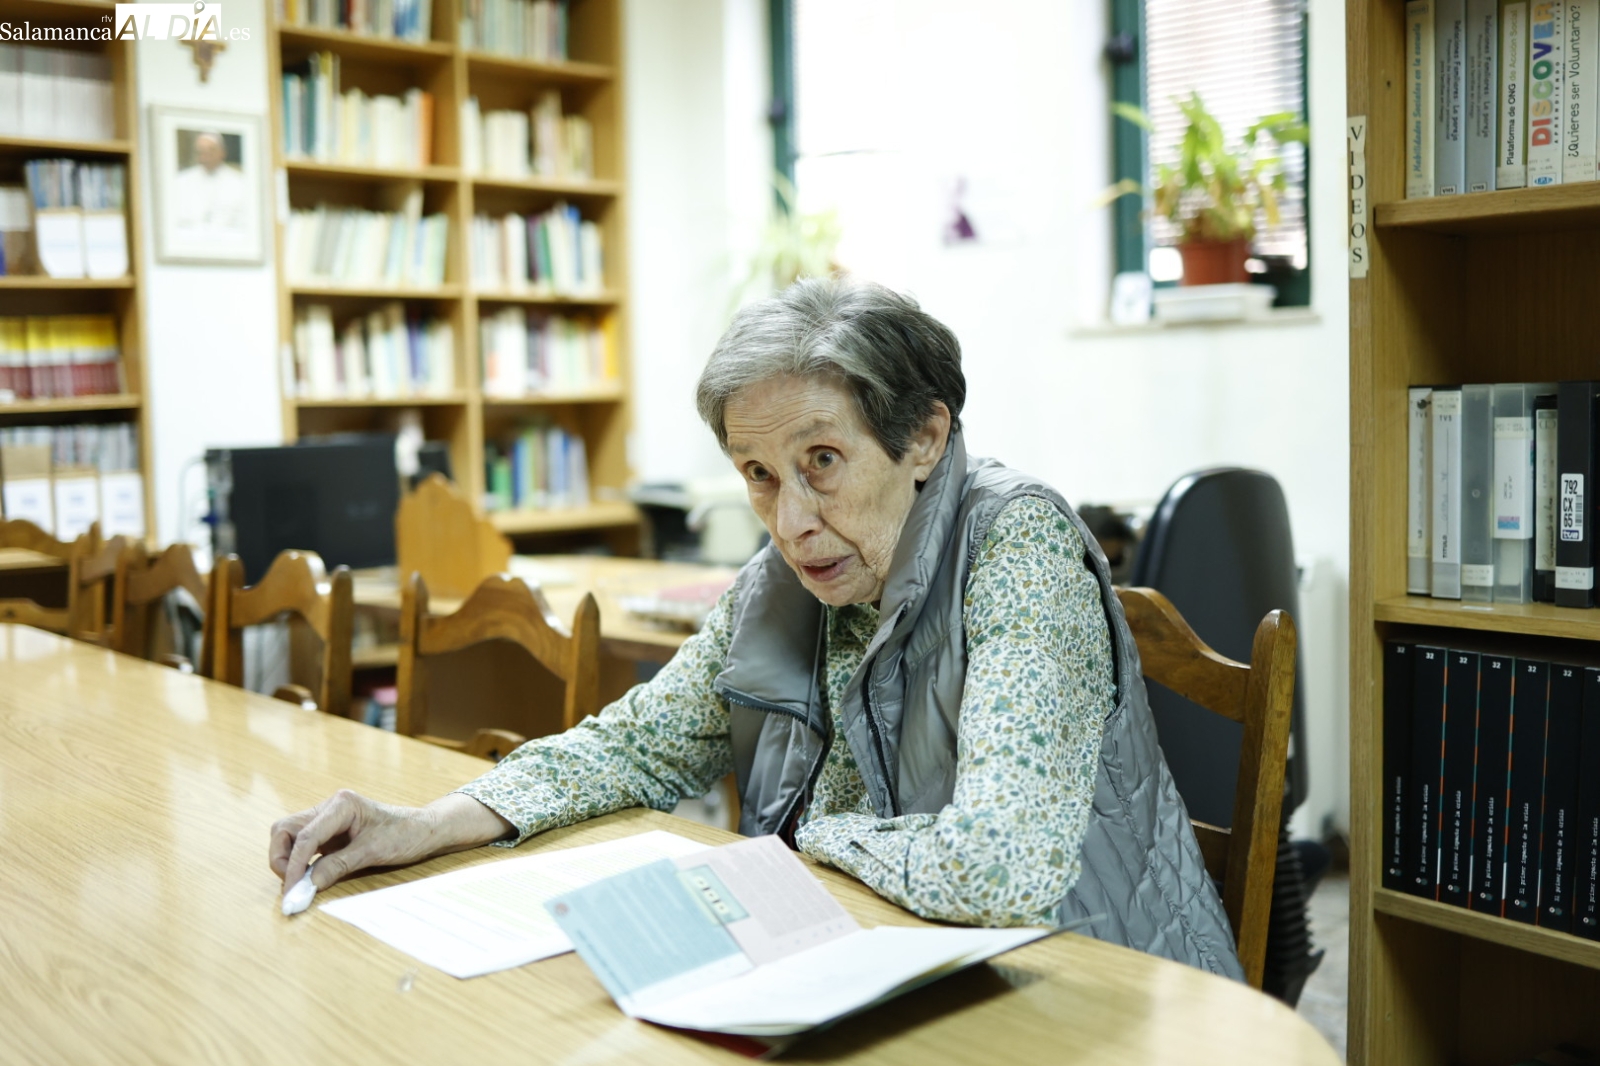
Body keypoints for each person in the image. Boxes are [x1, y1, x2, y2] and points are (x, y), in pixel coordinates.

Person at [269, 277, 1244, 979]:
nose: (789, 520)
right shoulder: (782, 576)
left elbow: (1001, 868)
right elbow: (639, 745)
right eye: (758, 474)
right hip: (874, 964)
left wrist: (808, 844)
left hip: (1090, 986)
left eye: (821, 459)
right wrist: (427, 823)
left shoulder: (1017, 547)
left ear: (923, 439)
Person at [172, 130, 246, 239]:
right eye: (201, 151)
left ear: (222, 152)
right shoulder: (181, 181)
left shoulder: (239, 182)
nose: (205, 156)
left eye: (211, 150)